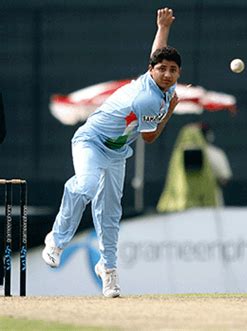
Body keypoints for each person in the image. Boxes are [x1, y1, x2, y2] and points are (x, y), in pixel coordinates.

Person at [41, 7, 181, 298]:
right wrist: (170, 111)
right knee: (86, 185)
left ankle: (108, 269)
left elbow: (158, 53)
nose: (167, 74)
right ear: (151, 70)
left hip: (117, 153)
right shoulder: (147, 99)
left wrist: (162, 28)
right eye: (162, 69)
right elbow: (151, 137)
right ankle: (56, 240)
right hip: (91, 142)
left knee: (109, 214)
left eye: (173, 69)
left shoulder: (161, 81)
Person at [156, 122, 232, 212]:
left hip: (180, 205)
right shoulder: (215, 154)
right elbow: (224, 179)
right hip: (207, 204)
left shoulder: (177, 155)